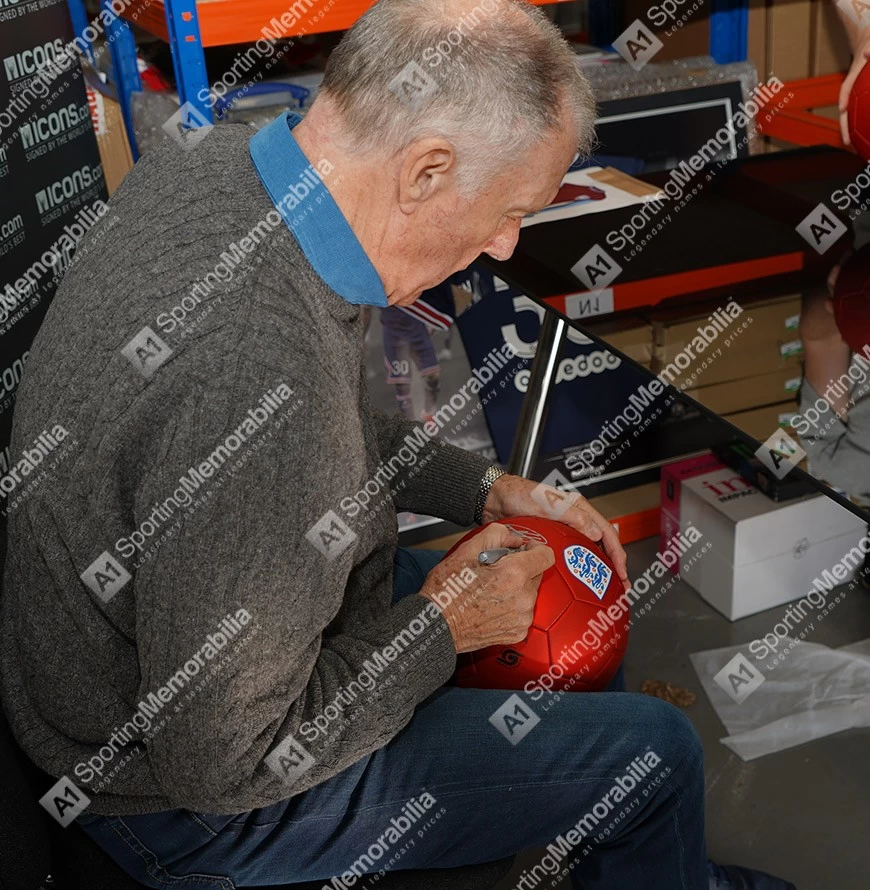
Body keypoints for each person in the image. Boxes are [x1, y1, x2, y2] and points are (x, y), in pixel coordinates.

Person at [0, 1, 794, 888]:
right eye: (510, 211)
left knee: (555, 605)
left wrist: (482, 488)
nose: (504, 245)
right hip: (176, 806)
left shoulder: (225, 169)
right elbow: (222, 765)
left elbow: (297, 437)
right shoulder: (256, 362)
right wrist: (441, 626)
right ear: (424, 171)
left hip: (154, 664)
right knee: (657, 757)